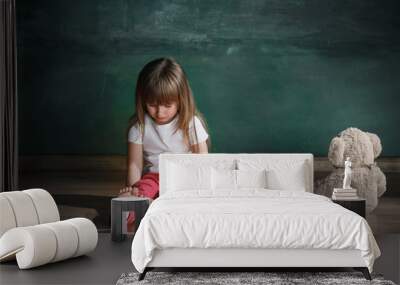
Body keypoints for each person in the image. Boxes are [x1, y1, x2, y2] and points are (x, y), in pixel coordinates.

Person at [117, 58, 210, 231]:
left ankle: (159, 207)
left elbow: (203, 162)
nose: (159, 112)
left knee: (188, 203)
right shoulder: (139, 127)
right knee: (131, 208)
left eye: (167, 105)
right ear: (142, 99)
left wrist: (200, 188)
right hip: (153, 178)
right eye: (152, 104)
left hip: (184, 177)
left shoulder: (191, 123)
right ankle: (146, 206)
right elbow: (134, 164)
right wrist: (134, 190)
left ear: (181, 99)